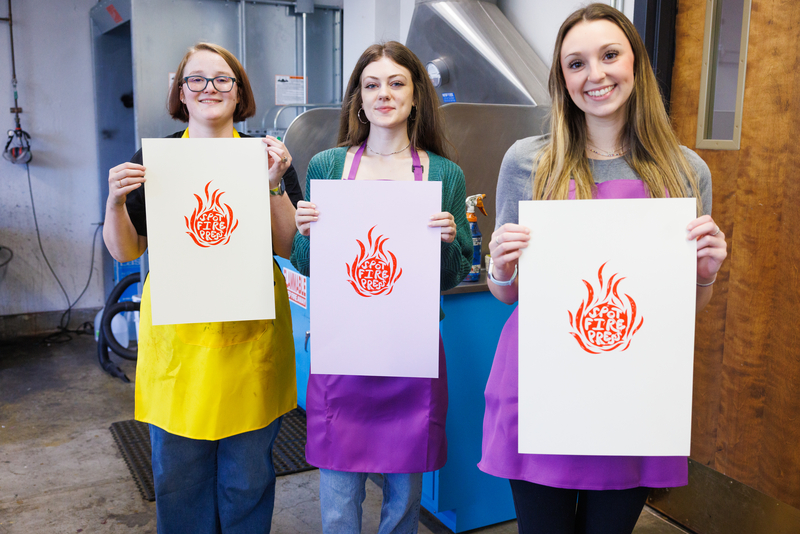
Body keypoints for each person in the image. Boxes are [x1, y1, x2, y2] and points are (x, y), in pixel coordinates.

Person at [478, 5, 728, 533]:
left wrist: (704, 272)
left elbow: (685, 308)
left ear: (635, 64)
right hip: (539, 384)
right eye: (576, 63)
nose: (595, 75)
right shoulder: (528, 161)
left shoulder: (685, 171)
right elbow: (508, 294)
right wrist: (500, 266)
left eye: (609, 55)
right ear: (561, 78)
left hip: (632, 392)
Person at [102, 42, 302, 534]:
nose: (209, 88)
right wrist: (114, 202)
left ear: (240, 93)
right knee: (179, 477)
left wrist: (274, 184)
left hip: (250, 337)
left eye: (222, 79)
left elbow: (288, 245)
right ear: (181, 93)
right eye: (197, 79)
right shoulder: (155, 159)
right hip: (180, 343)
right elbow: (125, 250)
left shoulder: (268, 156)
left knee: (247, 477)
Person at [290, 41, 472, 534]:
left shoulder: (442, 174)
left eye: (396, 84)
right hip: (343, 350)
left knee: (403, 498)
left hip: (409, 356)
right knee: (338, 498)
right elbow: (307, 267)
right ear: (358, 98)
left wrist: (450, 242)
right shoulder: (328, 167)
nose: (383, 94)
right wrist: (305, 234)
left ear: (416, 97)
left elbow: (453, 275)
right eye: (371, 85)